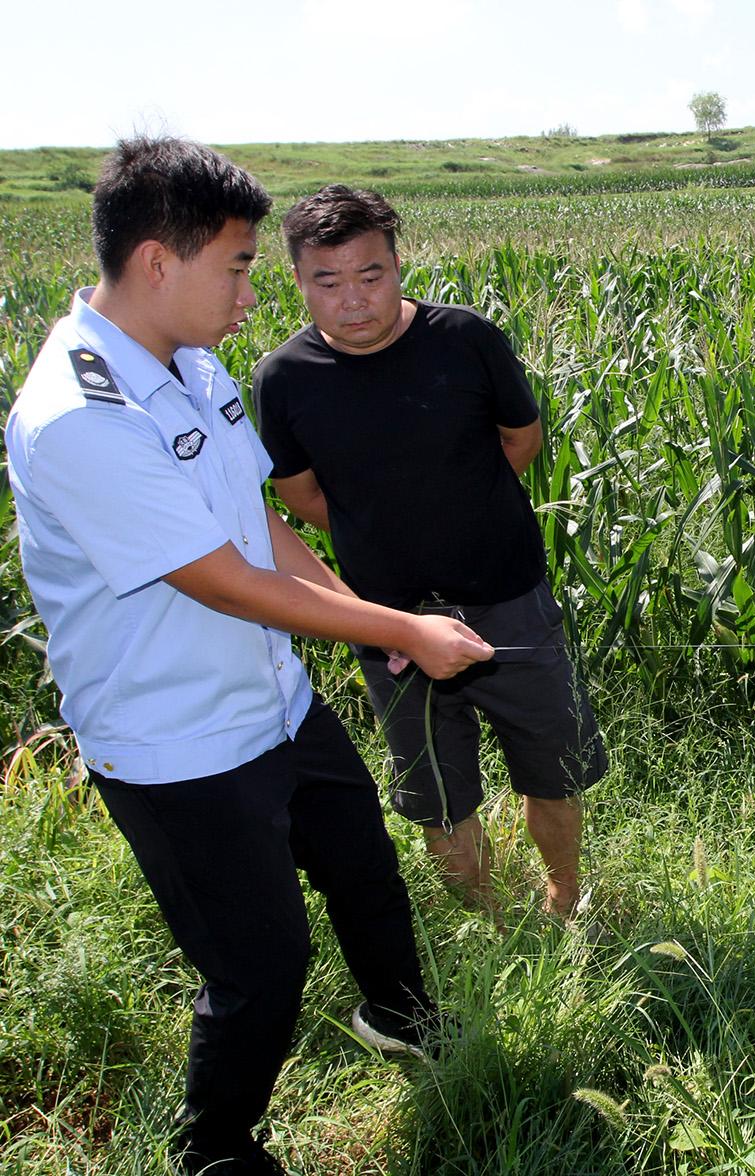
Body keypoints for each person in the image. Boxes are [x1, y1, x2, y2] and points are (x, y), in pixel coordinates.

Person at [3, 137, 494, 1175]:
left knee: (363, 866)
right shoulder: (80, 416)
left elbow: (256, 523)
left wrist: (358, 611)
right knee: (260, 967)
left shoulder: (192, 362)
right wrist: (401, 631)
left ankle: (400, 1017)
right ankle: (217, 1152)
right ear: (157, 262)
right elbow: (217, 578)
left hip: (273, 699)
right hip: (176, 741)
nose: (248, 293)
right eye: (235, 266)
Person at [253, 185, 607, 918]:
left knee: (554, 769)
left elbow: (521, 441)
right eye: (328, 281)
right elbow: (300, 494)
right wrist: (387, 535)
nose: (354, 300)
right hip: (389, 621)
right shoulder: (283, 378)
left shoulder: (466, 339)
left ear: (397, 265)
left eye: (370, 275)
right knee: (435, 794)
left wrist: (459, 511)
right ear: (298, 281)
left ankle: (565, 899)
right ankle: (486, 917)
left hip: (508, 599)